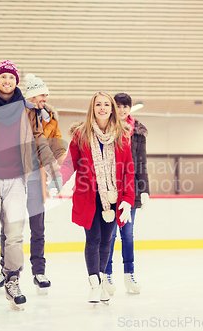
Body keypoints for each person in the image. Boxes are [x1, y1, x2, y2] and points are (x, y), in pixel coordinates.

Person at [0, 60, 62, 311]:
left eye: (12, 78)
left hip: (17, 178)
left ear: (17, 82)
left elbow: (40, 140)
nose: (8, 82)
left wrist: (53, 168)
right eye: (3, 77)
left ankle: (12, 279)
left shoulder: (27, 109)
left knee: (15, 235)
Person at [0, 73, 67, 294]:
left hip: (36, 181)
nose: (45, 97)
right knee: (9, 227)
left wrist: (58, 171)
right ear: (33, 95)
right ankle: (5, 271)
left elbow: (58, 147)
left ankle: (39, 271)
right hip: (14, 178)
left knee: (38, 227)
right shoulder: (16, 113)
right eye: (42, 93)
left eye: (46, 94)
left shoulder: (50, 118)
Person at [60, 91, 135, 305]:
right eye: (98, 104)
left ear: (112, 109)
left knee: (107, 242)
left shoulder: (122, 136)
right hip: (89, 197)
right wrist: (58, 180)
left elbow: (129, 171)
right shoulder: (81, 135)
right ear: (92, 108)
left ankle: (101, 281)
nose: (102, 108)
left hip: (113, 197)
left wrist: (128, 199)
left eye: (106, 105)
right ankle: (94, 285)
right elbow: (70, 164)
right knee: (92, 240)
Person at [103, 93, 149, 295]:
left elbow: (141, 164)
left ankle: (129, 275)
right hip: (111, 190)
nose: (122, 110)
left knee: (127, 234)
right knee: (110, 235)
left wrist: (144, 189)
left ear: (130, 109)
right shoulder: (106, 130)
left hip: (132, 191)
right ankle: (107, 274)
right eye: (118, 106)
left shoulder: (138, 134)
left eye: (125, 107)